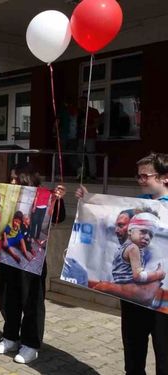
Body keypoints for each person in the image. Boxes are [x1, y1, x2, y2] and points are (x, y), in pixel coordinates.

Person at [77, 152, 168, 375]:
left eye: (145, 176)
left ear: (165, 177)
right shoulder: (137, 205)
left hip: (164, 300)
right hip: (134, 297)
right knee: (133, 351)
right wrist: (89, 200)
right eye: (138, 176)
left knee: (165, 356)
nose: (140, 181)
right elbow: (107, 220)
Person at [0, 164, 66, 364]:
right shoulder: (7, 194)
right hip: (7, 258)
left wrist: (58, 200)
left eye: (16, 178)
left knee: (31, 301)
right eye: (11, 178)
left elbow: (57, 218)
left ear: (27, 178)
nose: (12, 182)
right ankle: (10, 336)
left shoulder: (43, 195)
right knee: (8, 298)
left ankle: (30, 344)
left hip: (31, 265)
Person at [111, 212, 165, 285]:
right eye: (143, 231)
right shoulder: (133, 248)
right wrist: (158, 274)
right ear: (130, 231)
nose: (147, 238)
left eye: (150, 235)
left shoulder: (122, 248)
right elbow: (138, 276)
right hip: (127, 289)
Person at [77, 96, 100, 180]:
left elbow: (97, 123)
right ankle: (81, 175)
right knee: (80, 156)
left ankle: (92, 175)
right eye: (80, 102)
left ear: (87, 102)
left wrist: (88, 127)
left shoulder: (93, 111)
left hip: (90, 137)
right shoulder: (78, 112)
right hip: (80, 137)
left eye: (83, 102)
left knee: (90, 155)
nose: (81, 103)